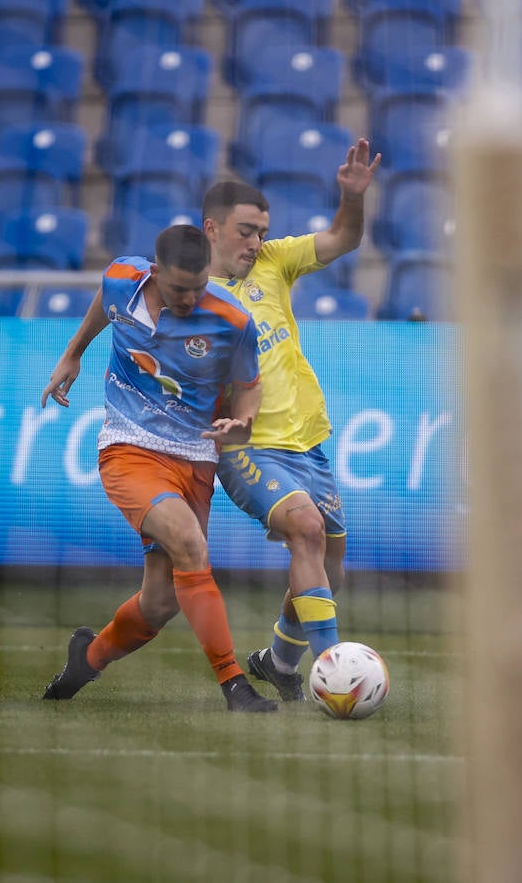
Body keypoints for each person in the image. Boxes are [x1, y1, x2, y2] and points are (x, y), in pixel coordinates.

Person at [39, 224, 278, 713]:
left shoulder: (231, 320)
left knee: (161, 602)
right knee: (190, 544)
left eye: (198, 287)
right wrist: (72, 354)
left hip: (195, 460)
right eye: (177, 289)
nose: (189, 298)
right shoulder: (122, 280)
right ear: (154, 272)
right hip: (129, 449)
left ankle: (89, 657)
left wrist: (244, 421)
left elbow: (249, 384)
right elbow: (103, 306)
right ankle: (235, 685)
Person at [200, 139, 381, 702]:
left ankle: (277, 661)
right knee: (305, 528)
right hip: (245, 447)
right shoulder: (189, 295)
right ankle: (334, 671)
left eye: (261, 231)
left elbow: (344, 238)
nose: (256, 241)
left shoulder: (277, 261)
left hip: (307, 440)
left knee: (327, 560)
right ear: (212, 229)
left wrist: (351, 199)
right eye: (246, 231)